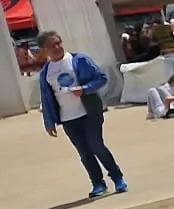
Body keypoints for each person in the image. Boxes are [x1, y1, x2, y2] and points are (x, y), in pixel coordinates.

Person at [36, 31, 126, 198]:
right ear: (43, 50)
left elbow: (101, 78)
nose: (57, 47)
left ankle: (117, 177)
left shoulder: (79, 60)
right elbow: (46, 98)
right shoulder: (45, 72)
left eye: (58, 42)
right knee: (84, 152)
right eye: (52, 45)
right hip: (68, 118)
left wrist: (84, 89)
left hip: (89, 112)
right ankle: (98, 183)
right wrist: (49, 122)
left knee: (96, 145)